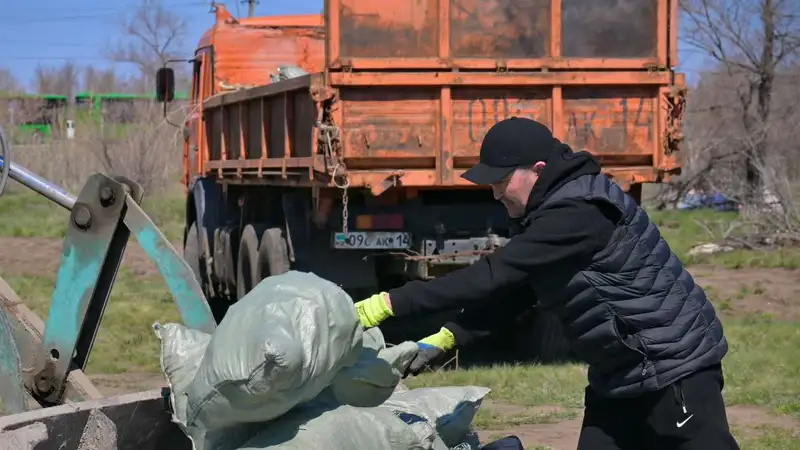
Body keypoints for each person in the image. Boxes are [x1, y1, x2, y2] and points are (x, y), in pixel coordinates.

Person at [354, 117, 739, 449]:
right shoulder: (551, 209)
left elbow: (490, 276)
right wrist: (448, 337)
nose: (495, 192)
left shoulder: (579, 213)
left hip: (674, 370)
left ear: (537, 169)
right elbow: (519, 291)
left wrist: (385, 305)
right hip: (620, 374)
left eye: (502, 180)